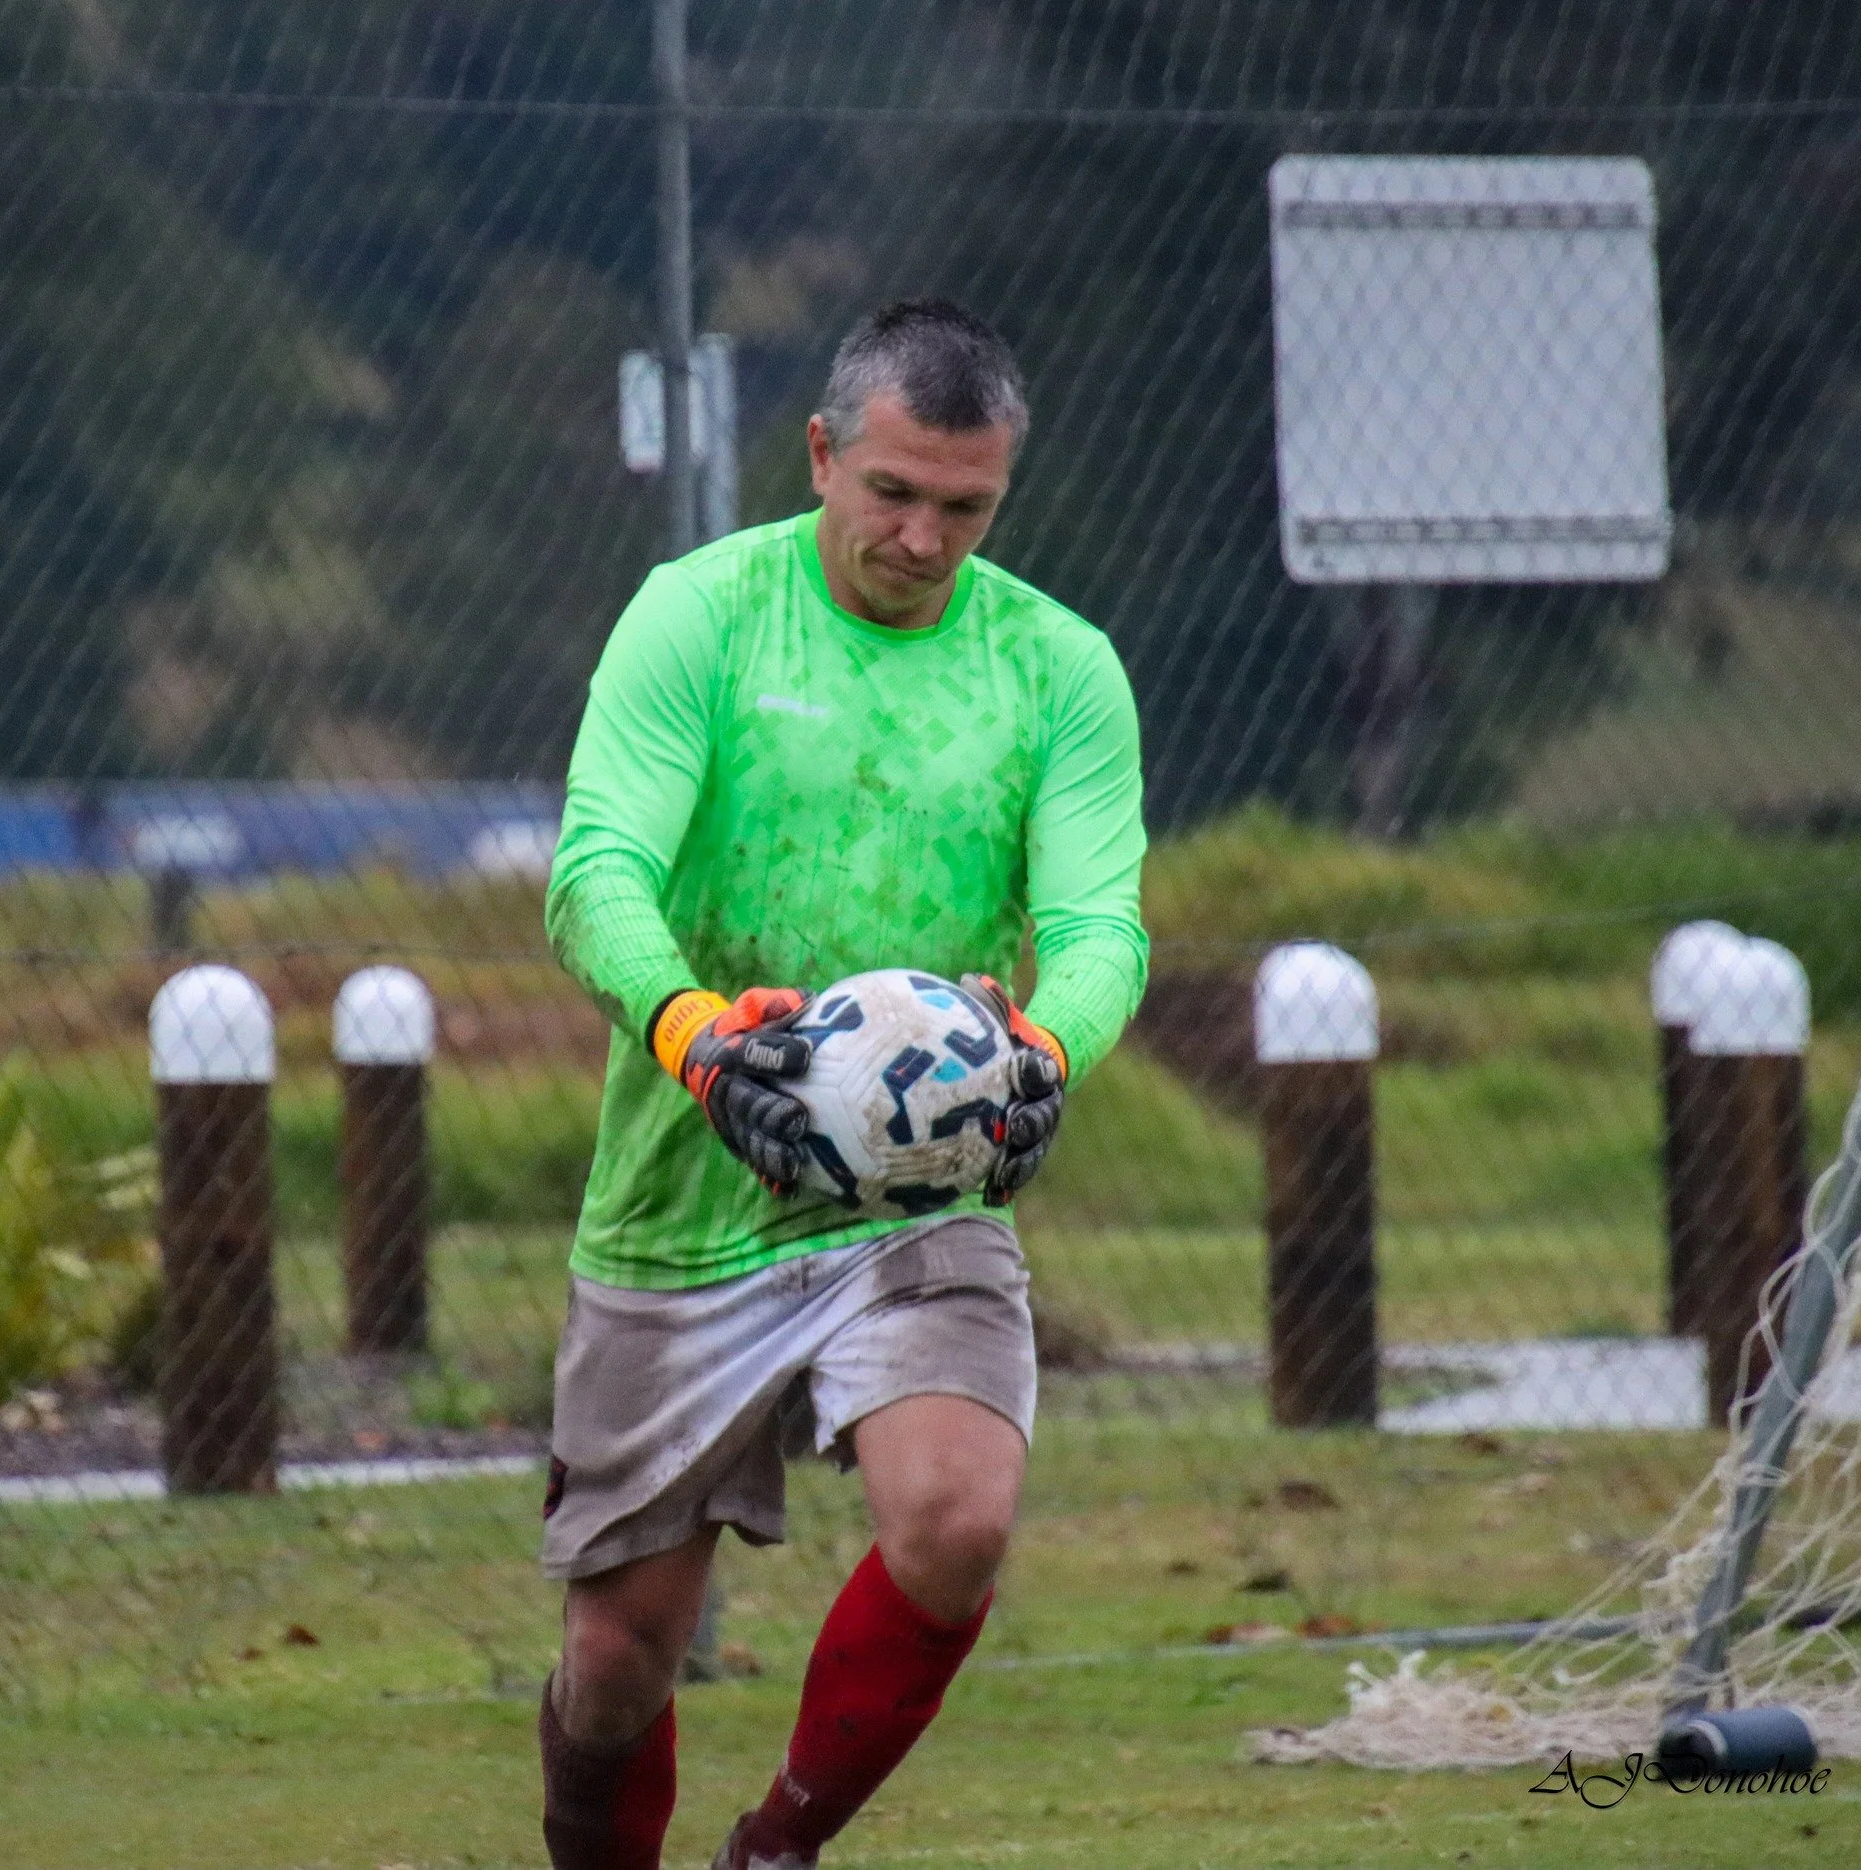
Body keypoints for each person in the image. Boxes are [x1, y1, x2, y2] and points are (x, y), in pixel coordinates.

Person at [538, 298, 1148, 1869]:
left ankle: (779, 1848)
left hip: (921, 1187)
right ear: (821, 454)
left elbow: (1098, 926)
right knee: (615, 1669)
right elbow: (595, 868)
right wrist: (696, 1040)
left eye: (966, 507)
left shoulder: (1059, 669)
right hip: (688, 1190)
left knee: (957, 1518)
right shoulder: (702, 616)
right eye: (893, 492)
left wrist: (1045, 1056)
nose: (925, 535)